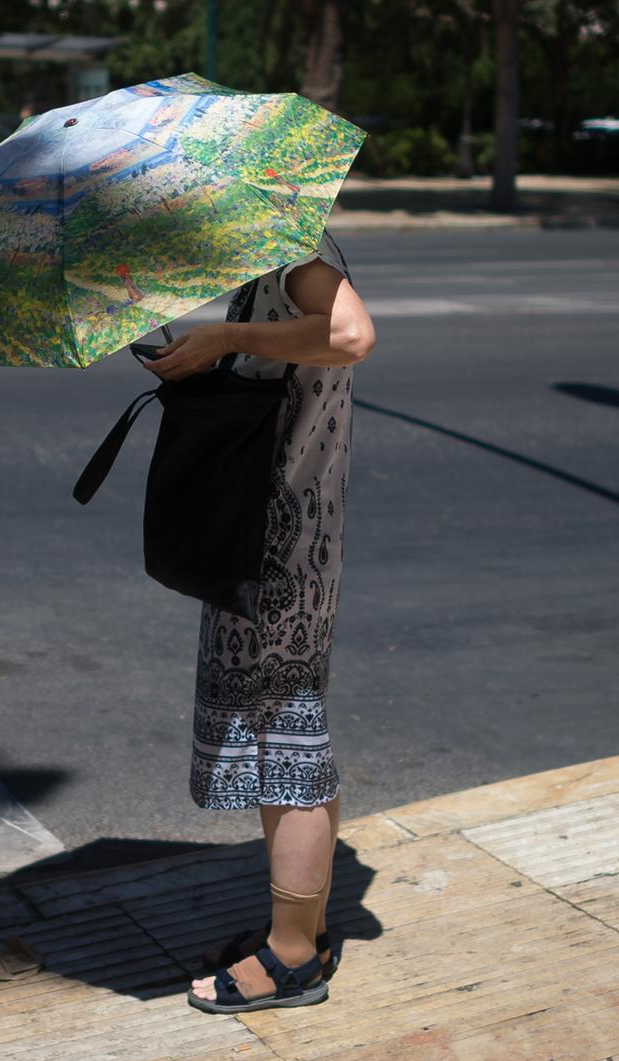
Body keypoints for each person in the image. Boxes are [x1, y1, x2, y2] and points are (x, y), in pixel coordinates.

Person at [136, 230, 376, 1015]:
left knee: (289, 745)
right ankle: (294, 930)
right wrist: (204, 354)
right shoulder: (273, 272)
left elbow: (351, 335)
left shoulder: (304, 266)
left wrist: (227, 338)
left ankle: (295, 958)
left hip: (280, 549)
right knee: (287, 737)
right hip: (276, 539)